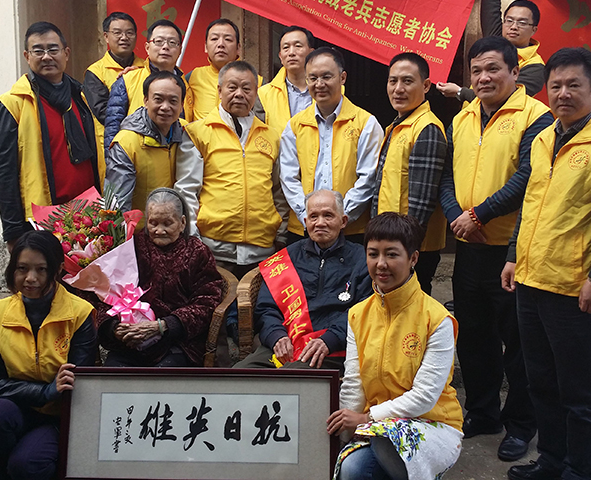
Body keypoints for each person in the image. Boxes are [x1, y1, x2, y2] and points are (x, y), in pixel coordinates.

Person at [502, 47, 591, 480]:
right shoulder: (544, 137)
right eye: (556, 85)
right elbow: (530, 203)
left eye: (573, 85)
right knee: (541, 381)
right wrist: (512, 255)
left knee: (579, 391)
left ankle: (581, 470)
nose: (563, 93)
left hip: (575, 290)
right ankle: (552, 461)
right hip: (531, 281)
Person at [438, 35, 553, 461]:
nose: (484, 78)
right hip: (469, 247)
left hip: (511, 250)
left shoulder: (536, 116)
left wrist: (480, 215)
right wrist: (458, 218)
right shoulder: (463, 116)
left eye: (493, 69)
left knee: (518, 342)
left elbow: (528, 177)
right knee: (474, 335)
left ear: (514, 72)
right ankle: (483, 412)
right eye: (476, 71)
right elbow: (447, 176)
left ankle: (521, 424)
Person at [326, 213, 463, 480]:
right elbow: (354, 382)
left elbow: (425, 396)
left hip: (433, 423)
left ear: (413, 258)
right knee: (351, 468)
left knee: (386, 445)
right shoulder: (357, 315)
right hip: (377, 426)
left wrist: (367, 419)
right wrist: (343, 434)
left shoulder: (437, 319)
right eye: (373, 254)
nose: (381, 264)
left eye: (391, 254)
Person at [0, 230, 97, 480]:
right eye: (22, 268)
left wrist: (54, 394)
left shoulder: (80, 314)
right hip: (16, 409)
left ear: (58, 270)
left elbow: (79, 386)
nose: (31, 278)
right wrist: (45, 392)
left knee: (26, 465)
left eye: (41, 270)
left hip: (58, 417)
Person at [0, 21, 105, 252]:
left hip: (88, 215)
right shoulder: (11, 105)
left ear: (66, 53)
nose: (46, 57)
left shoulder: (81, 97)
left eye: (53, 49)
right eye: (38, 51)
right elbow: (3, 173)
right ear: (27, 56)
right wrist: (13, 231)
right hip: (42, 220)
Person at [234, 189, 372, 371]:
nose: (320, 223)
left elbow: (365, 310)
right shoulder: (285, 259)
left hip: (333, 347)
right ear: (306, 222)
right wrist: (277, 336)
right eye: (313, 217)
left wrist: (330, 339)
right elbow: (266, 308)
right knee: (239, 374)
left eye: (328, 215)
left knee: (293, 376)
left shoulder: (363, 260)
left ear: (343, 221)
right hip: (285, 344)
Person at [175, 59, 285, 282]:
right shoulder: (198, 133)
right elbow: (187, 190)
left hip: (262, 250)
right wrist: (194, 239)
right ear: (219, 90)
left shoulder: (271, 136)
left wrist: (280, 235)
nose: (239, 94)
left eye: (247, 88)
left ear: (256, 93)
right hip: (213, 249)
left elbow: (279, 192)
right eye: (232, 87)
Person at [97, 188, 224, 367]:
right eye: (153, 223)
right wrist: (115, 328)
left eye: (167, 223)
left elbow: (207, 302)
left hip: (177, 343)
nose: (159, 230)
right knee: (114, 373)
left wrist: (164, 325)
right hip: (130, 340)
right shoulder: (130, 247)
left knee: (163, 374)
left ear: (182, 222)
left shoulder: (197, 252)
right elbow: (105, 292)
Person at [279, 47, 384, 246]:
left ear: (342, 78)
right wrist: (308, 216)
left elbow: (368, 178)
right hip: (303, 230)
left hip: (351, 230)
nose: (319, 84)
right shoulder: (295, 125)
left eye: (326, 77)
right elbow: (288, 177)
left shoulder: (365, 123)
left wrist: (339, 217)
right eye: (313, 78)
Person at [372, 52, 448, 295]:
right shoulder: (397, 125)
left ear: (425, 86)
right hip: (392, 241)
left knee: (412, 306)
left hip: (412, 247)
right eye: (392, 81)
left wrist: (406, 249)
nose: (398, 89)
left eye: (407, 81)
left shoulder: (427, 128)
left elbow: (422, 202)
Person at [436, 0, 545, 101]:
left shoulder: (535, 66)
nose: (514, 27)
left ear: (534, 29)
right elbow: (490, 4)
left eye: (522, 23)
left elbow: (503, 97)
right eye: (509, 20)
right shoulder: (497, 41)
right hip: (469, 114)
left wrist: (460, 92)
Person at [103, 71, 185, 218]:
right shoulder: (126, 142)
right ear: (146, 100)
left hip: (176, 225)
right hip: (141, 227)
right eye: (158, 99)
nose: (165, 107)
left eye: (173, 101)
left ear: (182, 106)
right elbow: (117, 204)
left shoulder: (187, 132)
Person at [103, 19, 194, 145]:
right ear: (147, 47)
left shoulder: (187, 84)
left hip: (178, 154)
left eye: (172, 42)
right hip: (137, 152)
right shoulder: (127, 80)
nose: (165, 47)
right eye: (159, 41)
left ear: (180, 49)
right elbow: (112, 129)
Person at [185, 18, 262, 121]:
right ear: (206, 46)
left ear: (238, 48)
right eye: (214, 39)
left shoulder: (257, 82)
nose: (220, 44)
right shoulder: (193, 77)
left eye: (228, 39)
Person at [83, 11, 146, 125]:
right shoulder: (95, 72)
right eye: (117, 33)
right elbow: (103, 112)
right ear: (106, 37)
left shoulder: (146, 67)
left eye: (129, 33)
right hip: (110, 134)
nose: (124, 38)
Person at [256, 25, 316, 131]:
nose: (291, 53)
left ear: (311, 53)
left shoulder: (327, 90)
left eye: (298, 46)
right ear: (280, 56)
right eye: (286, 48)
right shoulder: (263, 94)